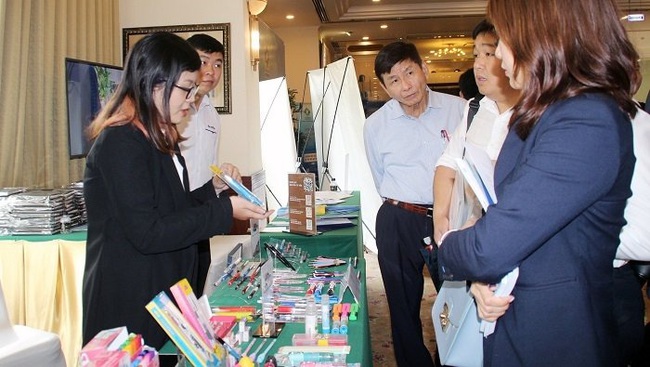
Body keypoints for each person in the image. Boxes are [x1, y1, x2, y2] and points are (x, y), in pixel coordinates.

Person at [437, 0, 640, 365]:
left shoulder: (586, 119)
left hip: (559, 337)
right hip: (519, 322)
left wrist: (452, 243)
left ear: (540, 35)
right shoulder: (544, 112)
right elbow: (518, 218)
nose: (497, 53)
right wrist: (484, 276)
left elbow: (490, 246)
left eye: (504, 39)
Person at [81, 32, 271, 349]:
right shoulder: (121, 141)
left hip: (162, 294)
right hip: (132, 299)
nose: (191, 100)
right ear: (155, 83)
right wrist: (225, 211)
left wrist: (214, 190)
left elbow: (174, 209)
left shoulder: (156, 135)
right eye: (186, 89)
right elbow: (148, 231)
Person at [363, 41, 465, 367]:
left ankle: (450, 360)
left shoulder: (459, 110)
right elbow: (379, 175)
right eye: (393, 80)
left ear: (424, 69)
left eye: (410, 72)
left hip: (449, 217)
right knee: (402, 307)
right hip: (398, 217)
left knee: (457, 301)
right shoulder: (376, 125)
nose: (405, 85)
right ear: (383, 86)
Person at [433, 19, 520, 245]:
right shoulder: (476, 109)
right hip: (476, 238)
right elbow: (448, 163)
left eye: (489, 54)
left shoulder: (535, 116)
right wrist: (440, 216)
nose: (478, 65)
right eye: (475, 55)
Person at [177, 33, 226, 295]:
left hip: (201, 217)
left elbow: (208, 167)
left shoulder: (212, 114)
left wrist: (221, 182)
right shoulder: (171, 113)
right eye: (203, 61)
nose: (211, 71)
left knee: (198, 294)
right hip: (174, 220)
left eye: (218, 64)